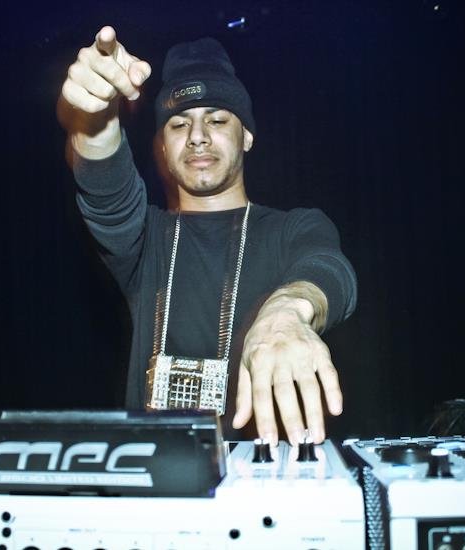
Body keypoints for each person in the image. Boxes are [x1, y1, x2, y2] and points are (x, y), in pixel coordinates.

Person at [58, 26, 357, 446]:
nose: (197, 136)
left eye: (216, 120)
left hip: (263, 476)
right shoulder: (145, 239)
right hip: (156, 476)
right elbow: (106, 188)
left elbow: (329, 269)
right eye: (179, 124)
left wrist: (287, 310)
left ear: (246, 136)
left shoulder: (294, 227)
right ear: (163, 147)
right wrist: (94, 117)